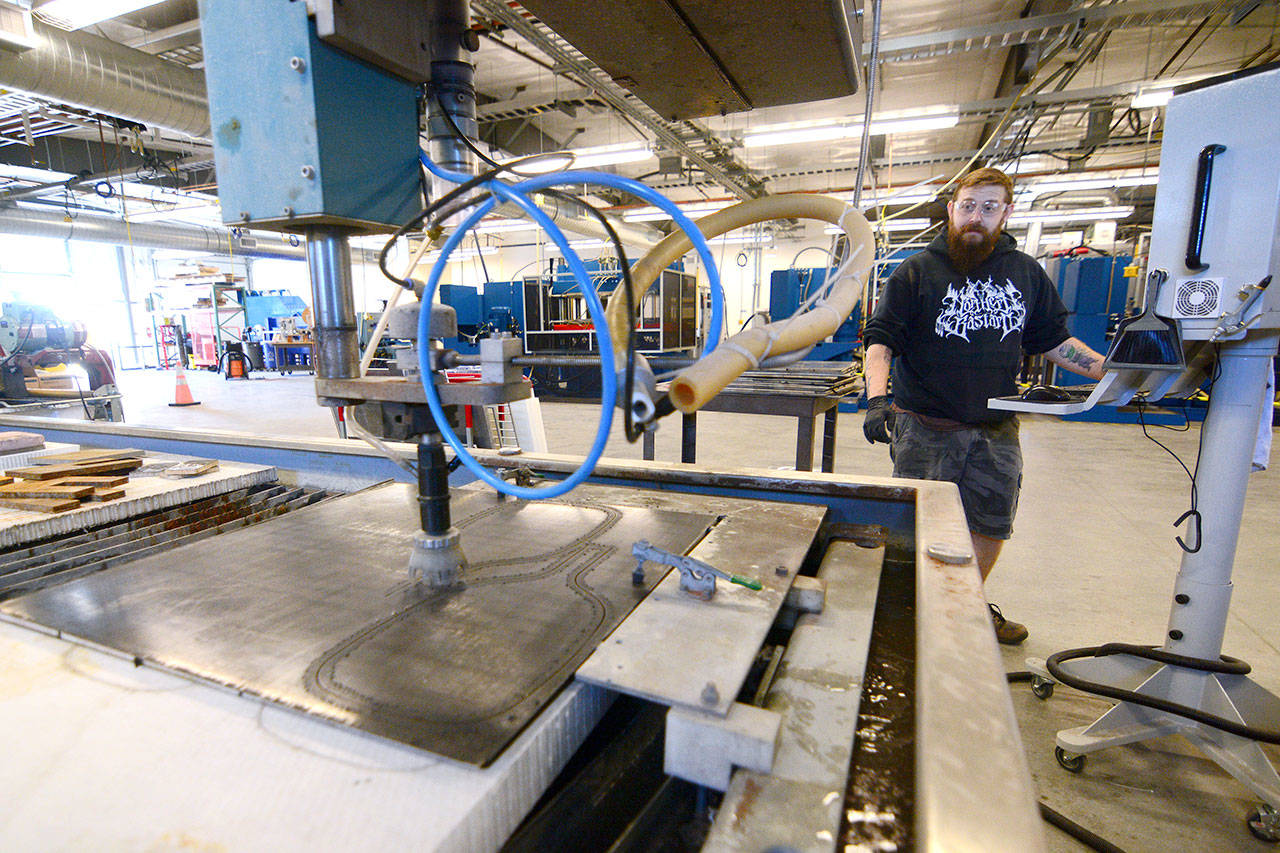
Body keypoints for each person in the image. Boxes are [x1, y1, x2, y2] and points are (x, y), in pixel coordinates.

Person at [861, 166, 1106, 645]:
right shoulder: (916, 271)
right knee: (917, 528)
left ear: (1006, 214)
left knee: (992, 523)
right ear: (952, 209)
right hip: (925, 424)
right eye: (968, 206)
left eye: (989, 207)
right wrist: (876, 399)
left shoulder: (1025, 273)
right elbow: (880, 339)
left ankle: (960, 607)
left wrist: (1118, 371)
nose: (976, 216)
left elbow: (1055, 342)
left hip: (996, 428)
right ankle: (909, 614)